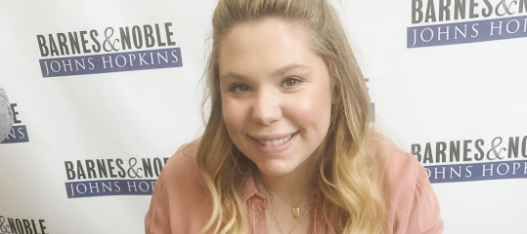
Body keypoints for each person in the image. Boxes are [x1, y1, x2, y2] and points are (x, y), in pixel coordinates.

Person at [145, 0, 444, 233]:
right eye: (240, 87)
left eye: (291, 81)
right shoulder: (182, 179)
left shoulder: (399, 185)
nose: (263, 113)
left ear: (337, 84)